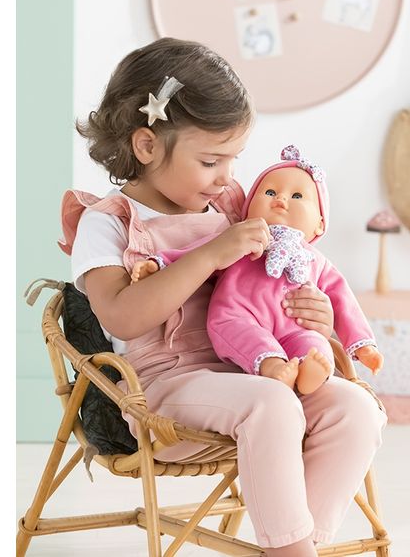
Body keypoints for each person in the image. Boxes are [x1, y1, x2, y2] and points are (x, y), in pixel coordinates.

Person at [58, 37, 386, 556]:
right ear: (147, 146)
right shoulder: (108, 223)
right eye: (211, 160)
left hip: (257, 370)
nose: (227, 177)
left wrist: (315, 314)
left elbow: (274, 282)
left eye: (234, 159)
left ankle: (300, 545)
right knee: (271, 404)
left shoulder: (230, 208)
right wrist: (211, 255)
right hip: (165, 391)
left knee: (355, 408)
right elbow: (121, 317)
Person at [131, 144, 385, 395]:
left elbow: (344, 303)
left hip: (295, 327)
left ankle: (311, 372)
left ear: (320, 224)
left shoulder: (317, 262)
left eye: (297, 196)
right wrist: (159, 263)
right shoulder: (240, 239)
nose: (281, 200)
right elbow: (196, 253)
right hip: (238, 315)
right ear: (248, 209)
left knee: (316, 344)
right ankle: (272, 367)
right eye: (270, 192)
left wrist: (363, 345)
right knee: (244, 334)